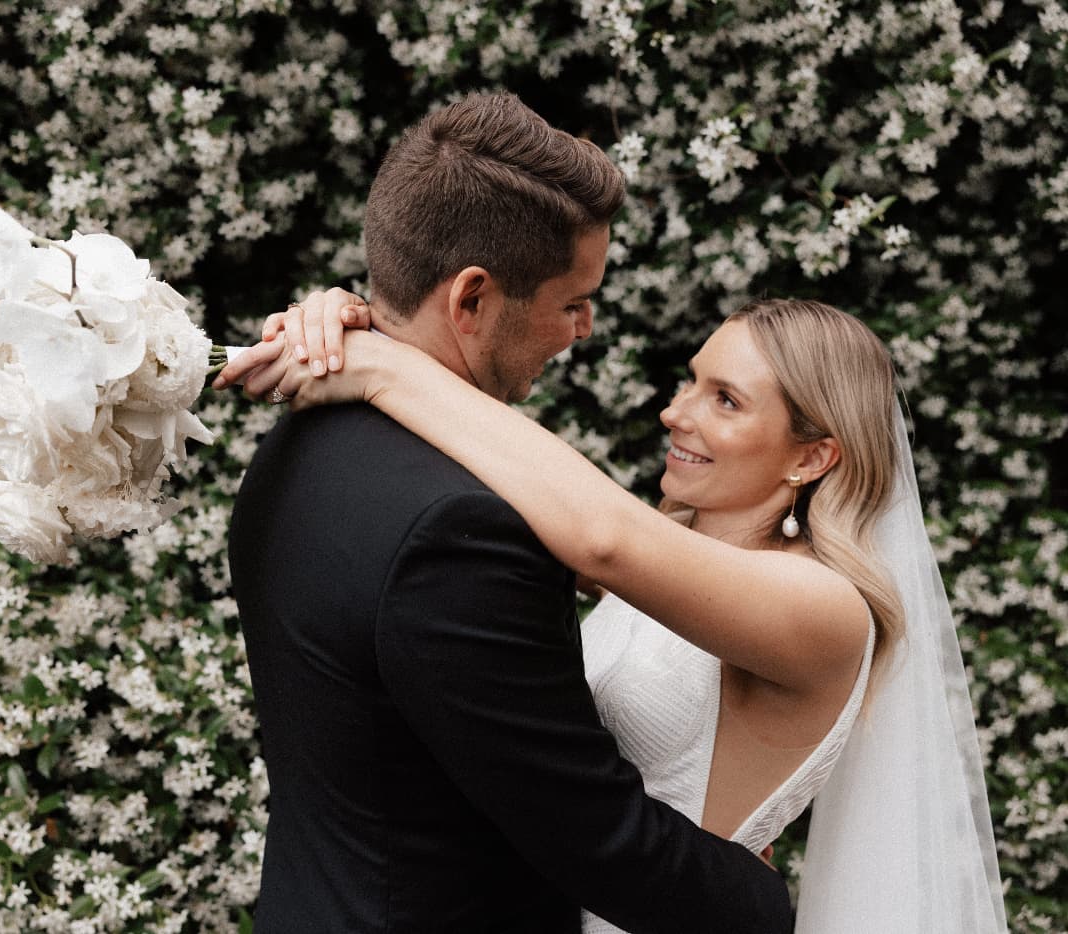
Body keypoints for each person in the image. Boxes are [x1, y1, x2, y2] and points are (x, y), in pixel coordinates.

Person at [220, 292, 1009, 933]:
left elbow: (599, 534)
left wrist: (385, 367)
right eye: (689, 381)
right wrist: (346, 319)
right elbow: (518, 490)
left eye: (725, 400)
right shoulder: (672, 548)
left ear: (811, 457)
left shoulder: (824, 607)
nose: (677, 413)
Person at [220, 93, 793, 934]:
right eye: (571, 301)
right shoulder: (459, 529)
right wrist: (761, 899)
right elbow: (596, 838)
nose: (584, 327)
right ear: (472, 300)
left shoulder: (300, 437)